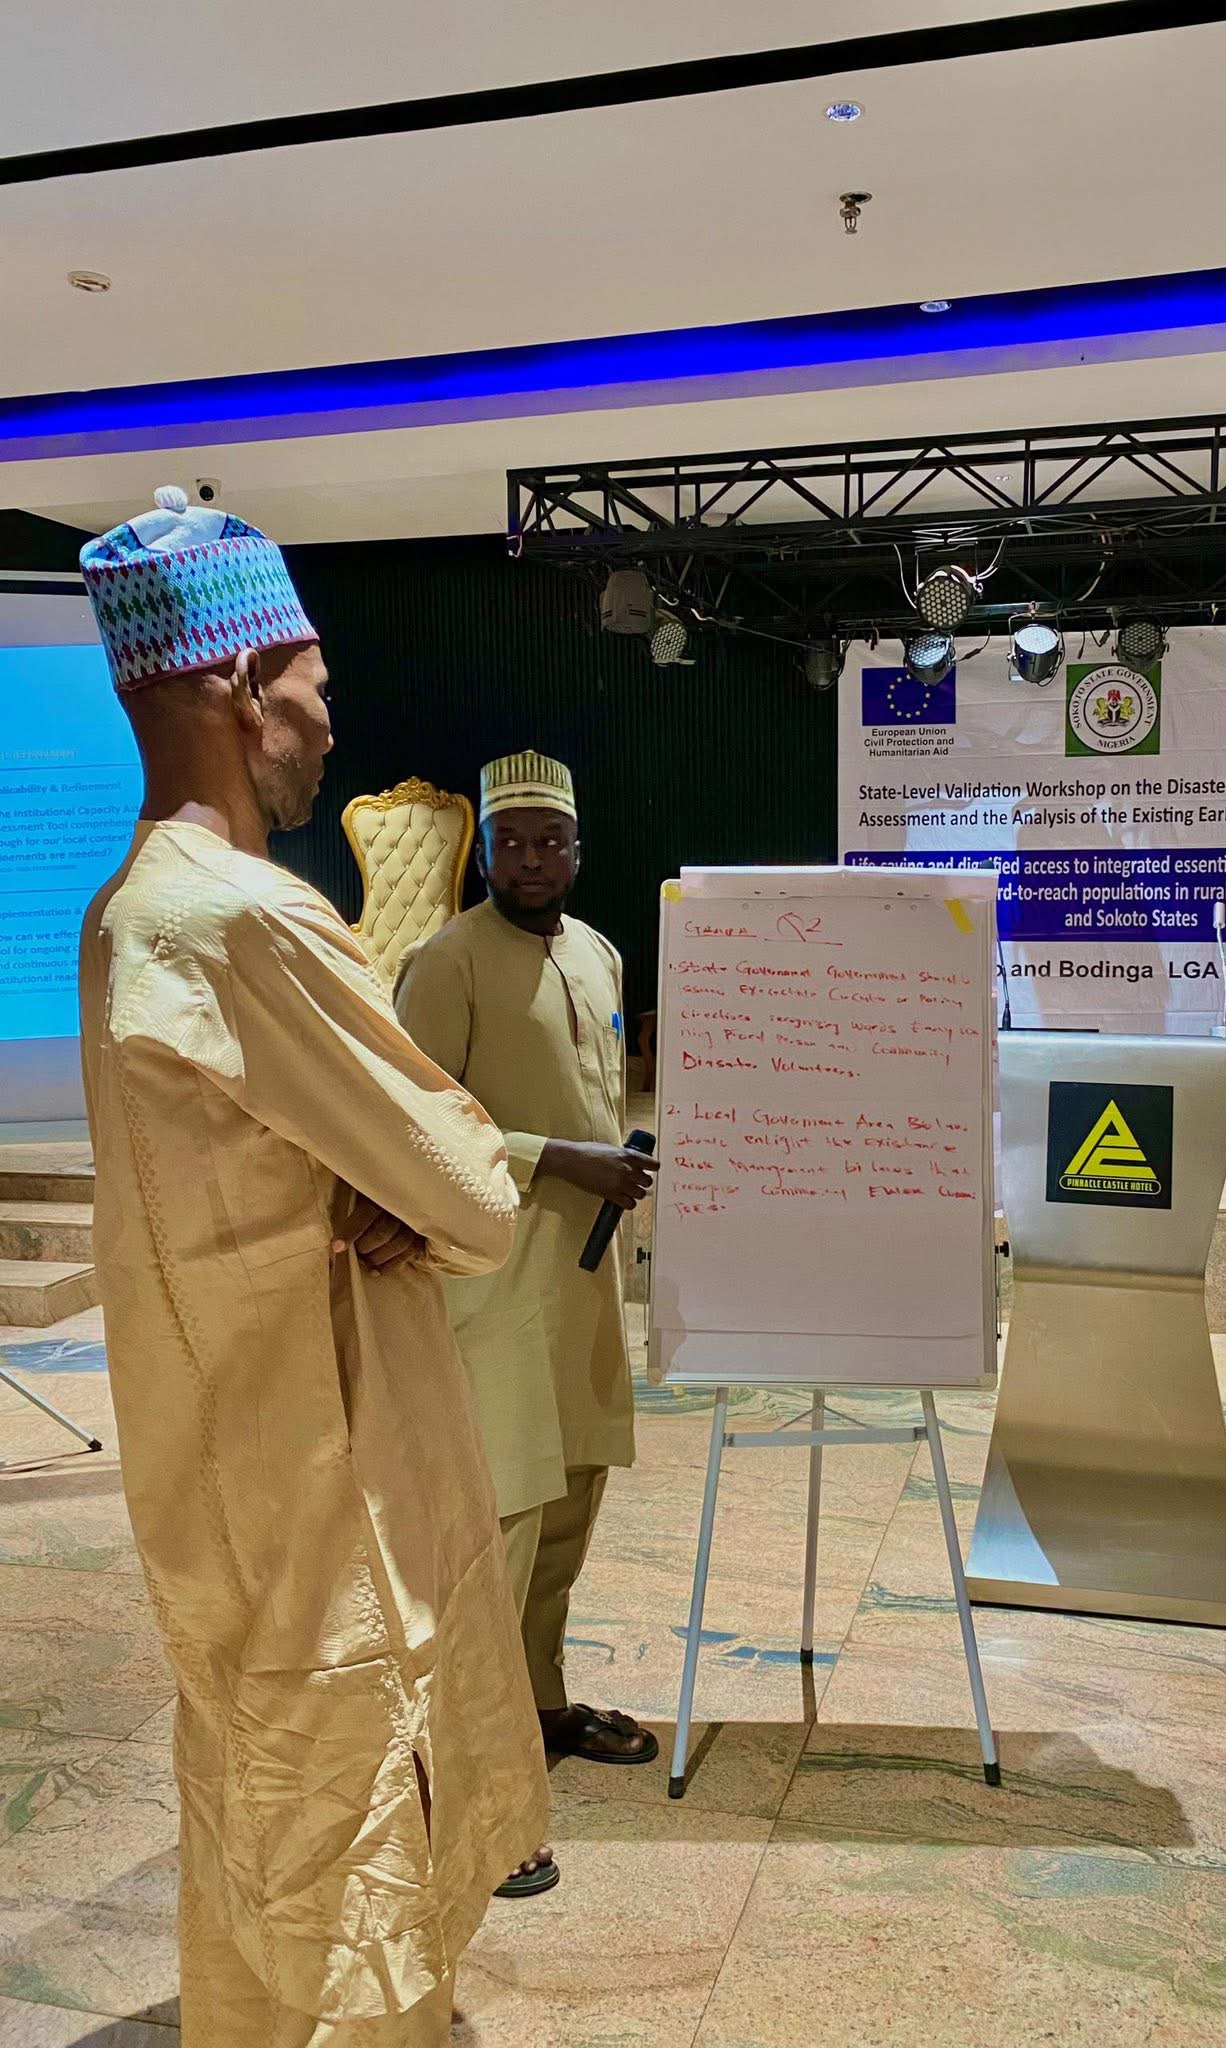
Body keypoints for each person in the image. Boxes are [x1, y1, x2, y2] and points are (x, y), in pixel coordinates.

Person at [76, 488, 552, 2048]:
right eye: (314, 683)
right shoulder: (249, 921)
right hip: (332, 1490)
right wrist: (398, 1181)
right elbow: (474, 1194)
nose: (330, 723)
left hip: (220, 1475)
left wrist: (366, 1177)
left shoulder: (124, 911)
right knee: (357, 1860)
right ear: (237, 681)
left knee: (254, 1817)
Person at [396, 751, 659, 1766]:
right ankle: (471, 1746)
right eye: (512, 843)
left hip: (585, 1279)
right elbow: (412, 1122)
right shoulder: (447, 961)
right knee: (503, 1512)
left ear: (578, 851)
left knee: (568, 1504)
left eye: (551, 841)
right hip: (497, 1284)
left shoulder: (599, 954)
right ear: (485, 855)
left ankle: (538, 1704)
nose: (532, 859)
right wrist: (558, 1156)